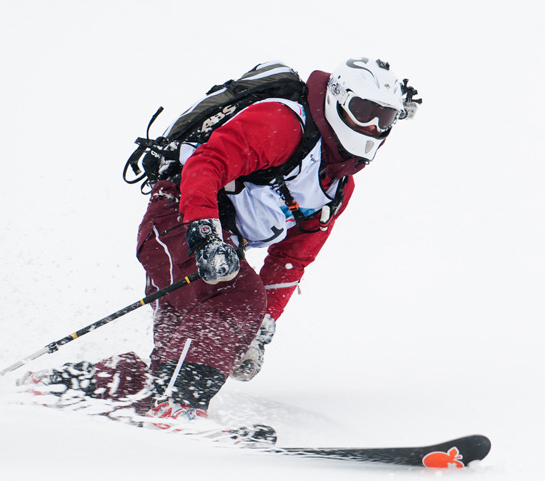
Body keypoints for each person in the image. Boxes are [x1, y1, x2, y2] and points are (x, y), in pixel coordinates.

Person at [21, 57, 418, 429]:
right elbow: (207, 164)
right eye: (363, 111)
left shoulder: (337, 188)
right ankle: (178, 406)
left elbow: (291, 259)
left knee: (175, 360)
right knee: (239, 297)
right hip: (176, 219)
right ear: (336, 100)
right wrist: (206, 235)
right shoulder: (284, 122)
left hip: (214, 246)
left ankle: (68, 384)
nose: (371, 127)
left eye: (384, 118)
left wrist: (259, 329)